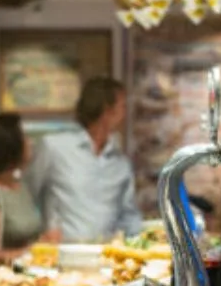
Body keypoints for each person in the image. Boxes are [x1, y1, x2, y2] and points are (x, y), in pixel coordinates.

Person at [24, 77, 140, 243]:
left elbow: (129, 216)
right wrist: (46, 227)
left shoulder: (121, 164)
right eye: (122, 106)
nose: (125, 114)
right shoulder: (54, 147)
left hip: (107, 259)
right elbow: (26, 195)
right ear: (107, 111)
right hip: (60, 256)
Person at [0, 113, 54, 280]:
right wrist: (36, 251)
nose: (29, 143)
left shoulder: (21, 186)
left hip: (22, 281)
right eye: (24, 137)